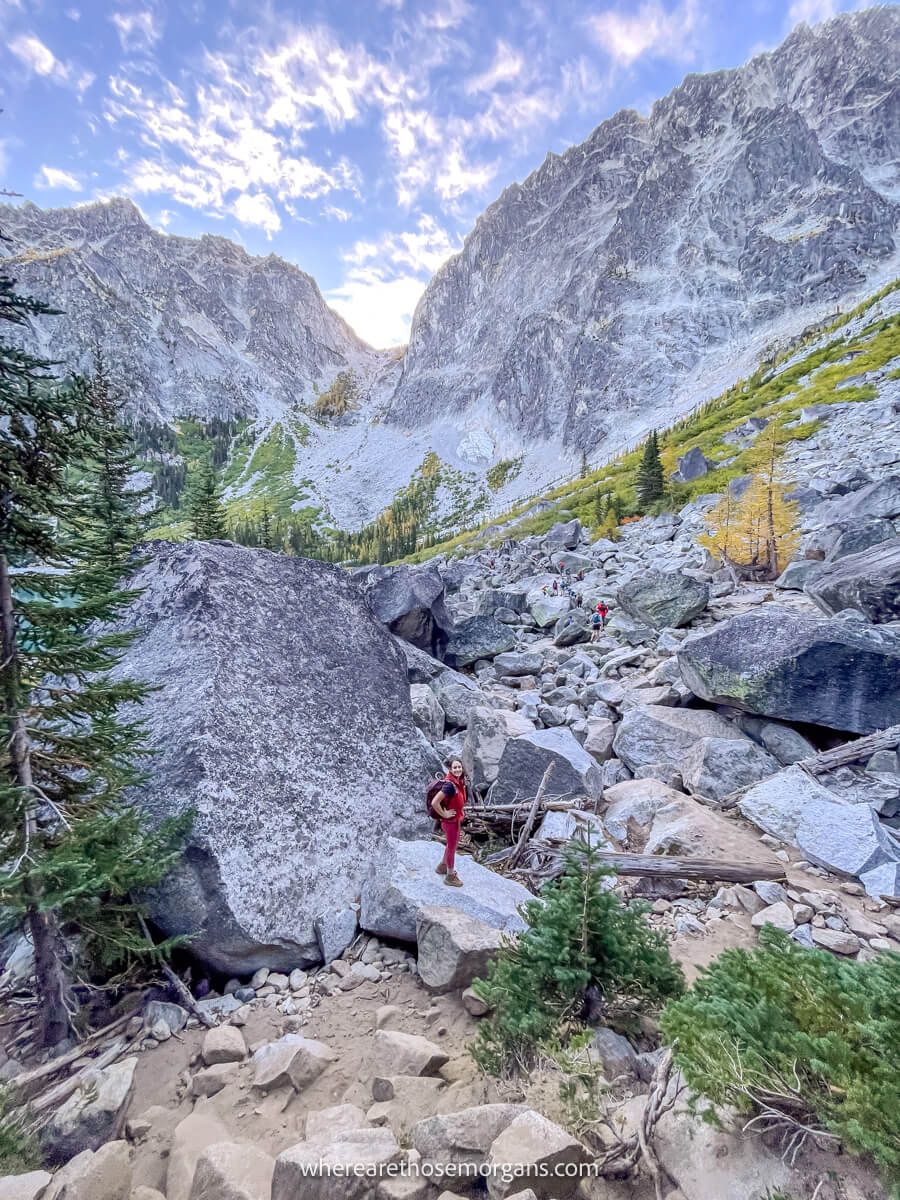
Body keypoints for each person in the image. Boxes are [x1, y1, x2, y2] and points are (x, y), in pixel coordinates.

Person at [433, 759, 467, 887]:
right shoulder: (449, 785)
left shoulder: (457, 782)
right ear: (450, 770)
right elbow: (435, 802)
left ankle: (442, 866)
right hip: (450, 822)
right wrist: (444, 814)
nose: (458, 769)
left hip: (455, 821)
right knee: (452, 848)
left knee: (450, 845)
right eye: (455, 767)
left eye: (459, 767)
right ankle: (450, 876)